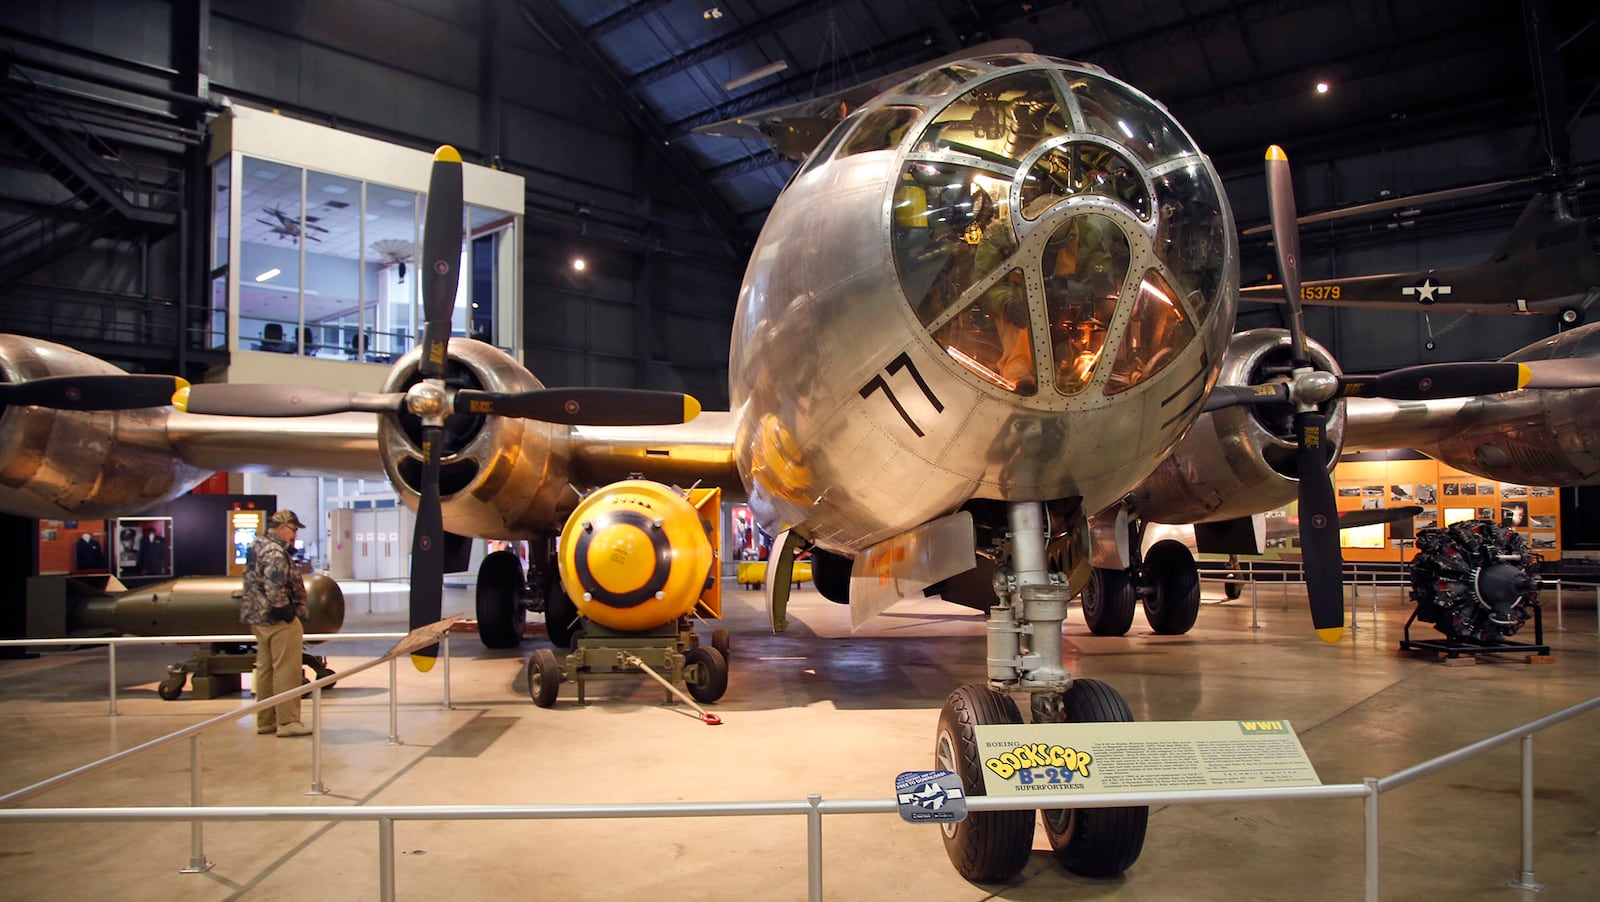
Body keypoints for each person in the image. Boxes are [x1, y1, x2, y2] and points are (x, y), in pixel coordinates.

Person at [240, 510, 311, 737]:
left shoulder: (258, 545)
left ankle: (266, 720)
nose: (294, 534)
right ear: (281, 528)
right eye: (293, 529)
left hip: (258, 618)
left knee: (265, 669)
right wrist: (287, 612)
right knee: (286, 669)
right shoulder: (275, 552)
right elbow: (274, 586)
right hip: (277, 619)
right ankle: (288, 721)